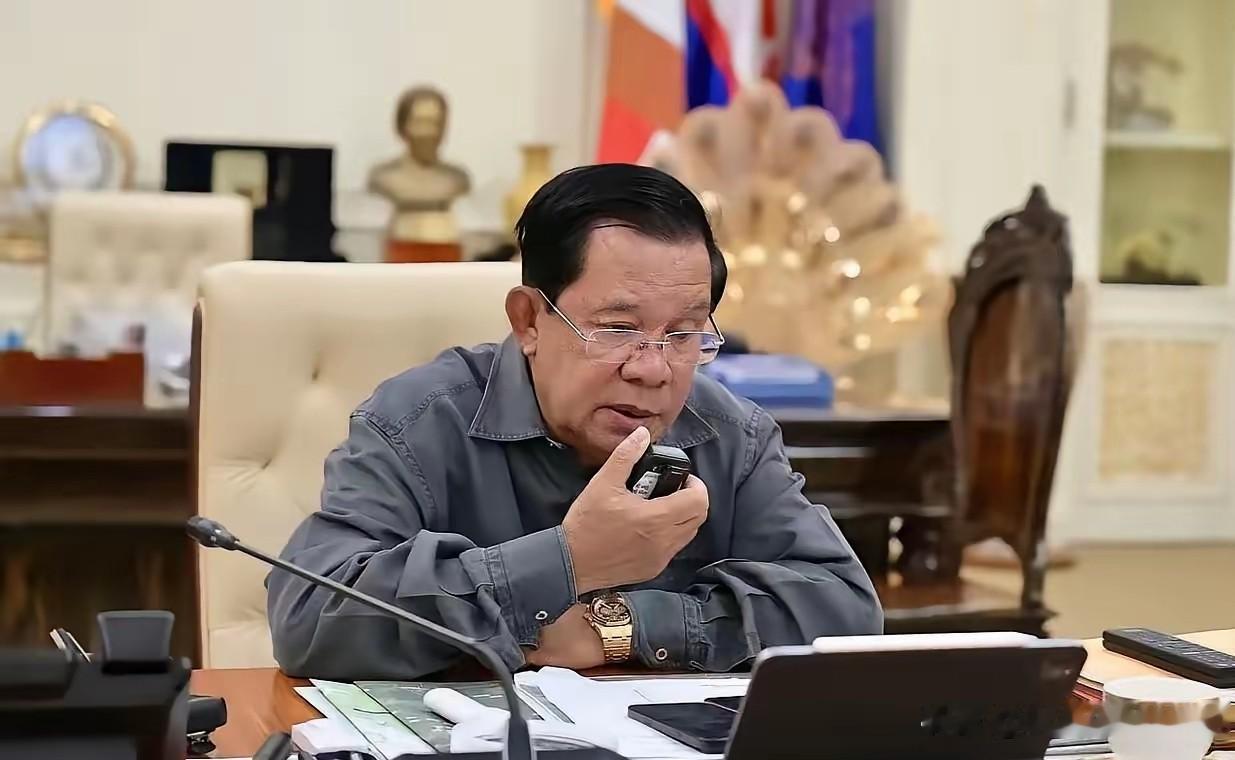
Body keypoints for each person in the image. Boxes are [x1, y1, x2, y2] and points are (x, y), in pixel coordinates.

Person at [268, 164, 882, 680]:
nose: (653, 369)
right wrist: (570, 558)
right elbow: (309, 617)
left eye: (684, 334)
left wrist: (621, 627)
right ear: (529, 321)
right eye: (618, 329)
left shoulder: (731, 434)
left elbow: (846, 611)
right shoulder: (418, 420)